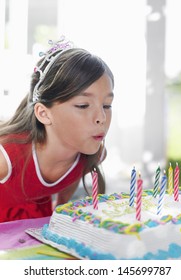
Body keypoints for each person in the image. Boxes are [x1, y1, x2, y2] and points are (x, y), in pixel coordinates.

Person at [0, 36, 114, 222]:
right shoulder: (6, 158)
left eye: (107, 105)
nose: (101, 118)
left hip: (36, 228)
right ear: (44, 114)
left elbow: (71, 178)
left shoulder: (93, 154)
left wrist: (60, 208)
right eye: (83, 105)